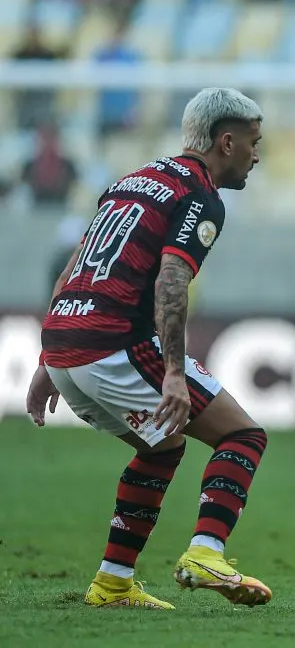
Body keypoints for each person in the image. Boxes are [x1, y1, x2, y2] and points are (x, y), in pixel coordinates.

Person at [25, 88, 270, 610]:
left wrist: (48, 356)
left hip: (68, 345)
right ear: (226, 142)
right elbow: (172, 279)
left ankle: (113, 583)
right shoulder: (202, 197)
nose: (257, 154)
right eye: (253, 142)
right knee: (243, 435)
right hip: (114, 342)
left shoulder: (133, 180)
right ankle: (206, 552)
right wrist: (174, 374)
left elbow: (75, 265)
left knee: (161, 447)